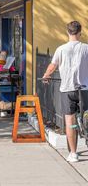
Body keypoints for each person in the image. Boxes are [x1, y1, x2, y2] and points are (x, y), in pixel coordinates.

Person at [42, 21, 88, 163]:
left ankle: (73, 153)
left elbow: (53, 65)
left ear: (68, 32)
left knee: (70, 122)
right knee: (87, 116)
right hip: (84, 89)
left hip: (67, 89)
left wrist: (46, 75)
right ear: (80, 32)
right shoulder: (86, 48)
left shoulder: (61, 49)